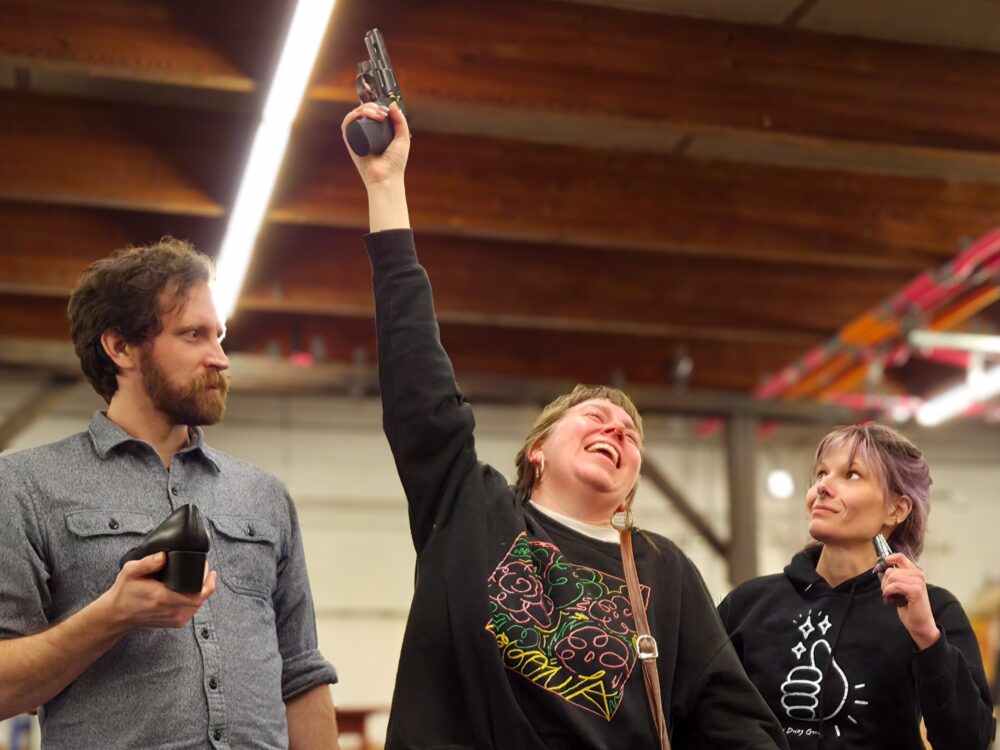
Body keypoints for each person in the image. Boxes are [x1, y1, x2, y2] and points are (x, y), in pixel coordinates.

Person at [341, 101, 787, 749]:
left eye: (632, 434)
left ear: (629, 487)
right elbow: (419, 386)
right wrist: (386, 188)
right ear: (537, 452)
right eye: (595, 414)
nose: (619, 428)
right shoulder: (470, 512)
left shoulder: (665, 573)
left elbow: (737, 727)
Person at [0, 239, 339, 749]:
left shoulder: (264, 496)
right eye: (193, 335)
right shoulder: (27, 486)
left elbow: (301, 673)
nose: (220, 359)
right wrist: (113, 614)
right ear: (120, 347)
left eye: (219, 336)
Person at [718, 423, 996, 749]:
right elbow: (704, 714)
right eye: (821, 473)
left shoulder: (932, 610)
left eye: (851, 475)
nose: (822, 486)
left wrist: (927, 638)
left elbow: (970, 741)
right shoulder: (746, 606)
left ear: (897, 509)